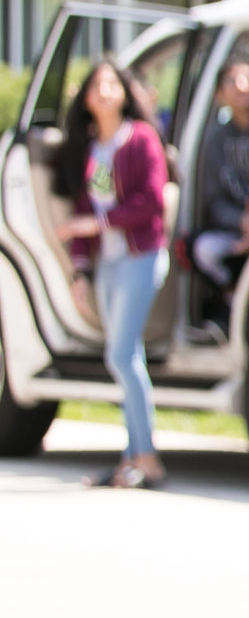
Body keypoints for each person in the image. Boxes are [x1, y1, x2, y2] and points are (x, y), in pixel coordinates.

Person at [53, 59, 172, 489]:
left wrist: (97, 226)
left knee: (122, 355)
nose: (104, 92)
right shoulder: (93, 151)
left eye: (111, 84)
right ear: (85, 98)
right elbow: (87, 209)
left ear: (124, 92)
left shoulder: (140, 140)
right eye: (96, 86)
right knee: (123, 357)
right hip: (109, 263)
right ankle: (131, 459)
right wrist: (80, 269)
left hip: (141, 255)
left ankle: (147, 459)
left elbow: (151, 202)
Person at [191, 58, 249, 302]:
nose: (241, 86)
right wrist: (242, 220)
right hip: (238, 231)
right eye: (232, 81)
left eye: (248, 79)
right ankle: (232, 302)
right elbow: (213, 201)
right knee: (202, 248)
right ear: (219, 94)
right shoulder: (217, 140)